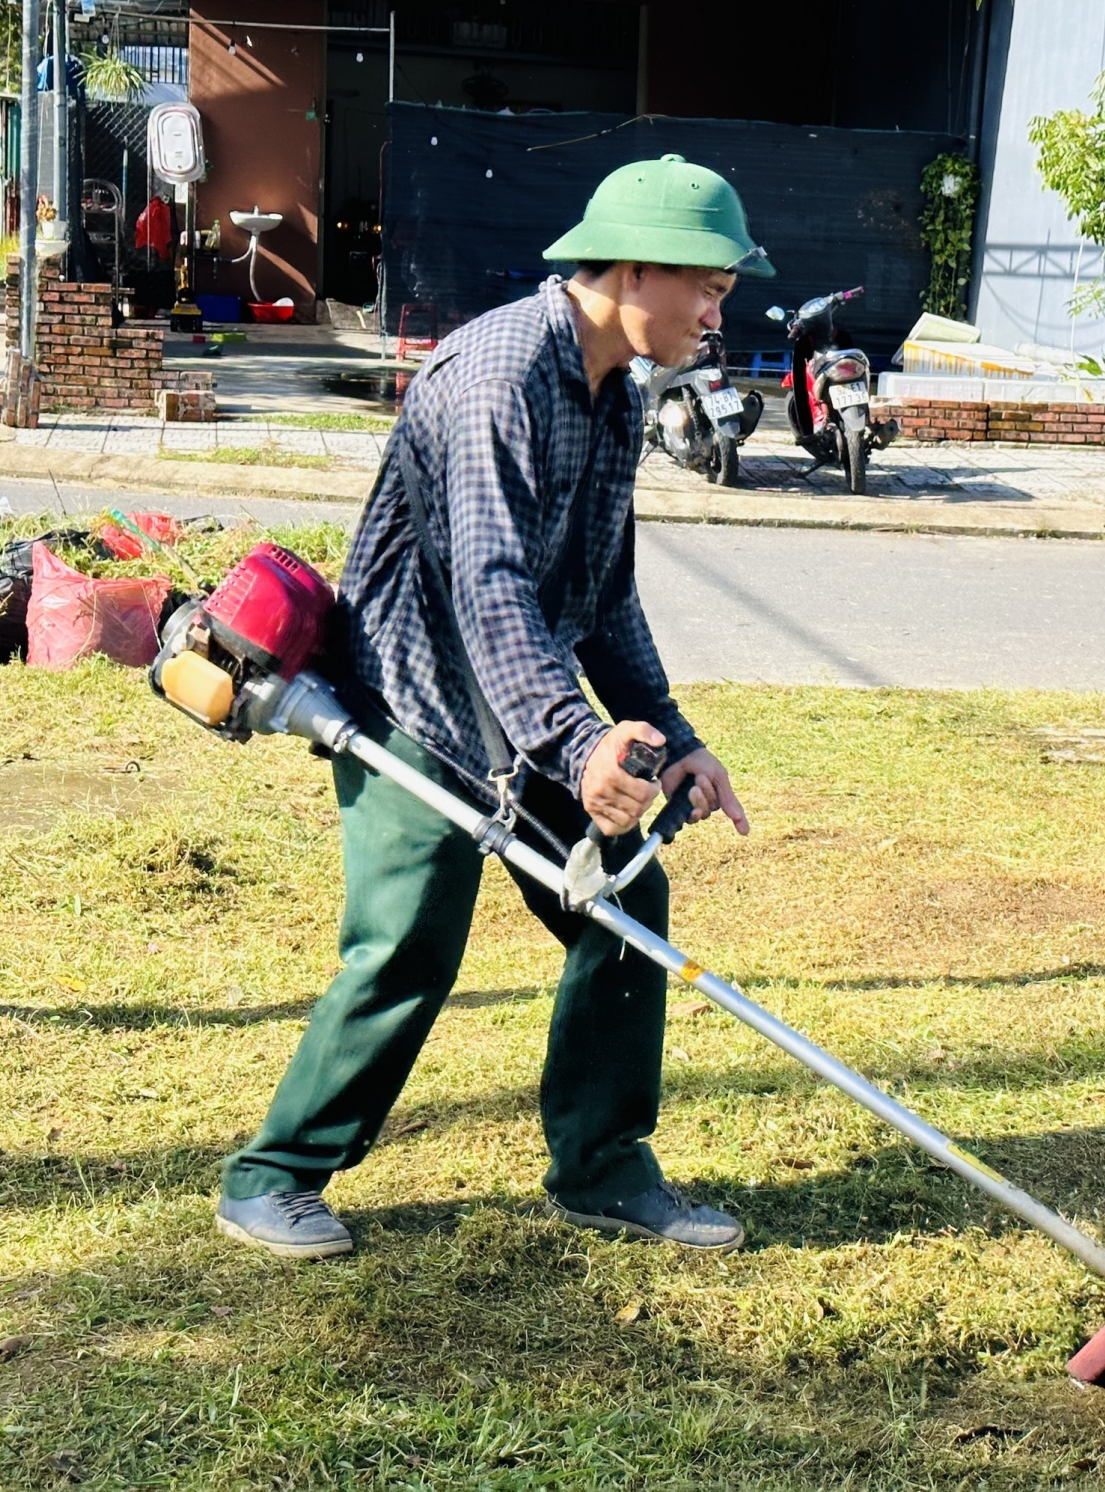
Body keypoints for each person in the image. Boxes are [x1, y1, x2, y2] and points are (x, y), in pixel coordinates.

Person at [214, 155, 775, 1259]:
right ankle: (273, 1174)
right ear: (633, 269)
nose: (719, 315)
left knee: (624, 898)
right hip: (414, 698)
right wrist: (578, 743)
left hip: (524, 709)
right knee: (409, 942)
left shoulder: (617, 393)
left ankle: (602, 1167)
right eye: (708, 287)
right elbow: (490, 583)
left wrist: (675, 739)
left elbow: (603, 592)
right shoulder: (496, 374)